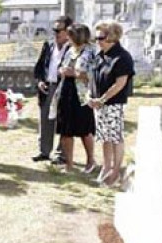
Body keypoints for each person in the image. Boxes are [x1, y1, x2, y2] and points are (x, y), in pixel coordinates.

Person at [90, 20, 135, 187]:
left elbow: (120, 83)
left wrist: (102, 99)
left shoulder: (122, 57)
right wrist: (90, 96)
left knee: (115, 136)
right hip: (98, 103)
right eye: (96, 37)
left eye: (100, 37)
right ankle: (106, 166)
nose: (97, 41)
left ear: (112, 37)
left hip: (114, 103)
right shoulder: (99, 56)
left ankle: (116, 171)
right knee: (104, 136)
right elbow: (92, 77)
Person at [54, 24, 98, 173]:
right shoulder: (69, 50)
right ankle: (69, 164)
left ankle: (91, 160)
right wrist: (62, 70)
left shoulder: (91, 51)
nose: (68, 37)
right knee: (66, 130)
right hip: (66, 92)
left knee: (84, 129)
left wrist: (74, 73)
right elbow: (62, 66)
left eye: (70, 35)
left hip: (82, 94)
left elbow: (93, 74)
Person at [33, 16, 73, 164]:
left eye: (59, 30)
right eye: (54, 30)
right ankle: (44, 151)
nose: (56, 33)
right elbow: (39, 67)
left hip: (64, 88)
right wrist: (40, 82)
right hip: (47, 87)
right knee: (45, 120)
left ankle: (61, 154)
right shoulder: (48, 45)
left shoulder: (73, 48)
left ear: (68, 31)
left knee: (62, 121)